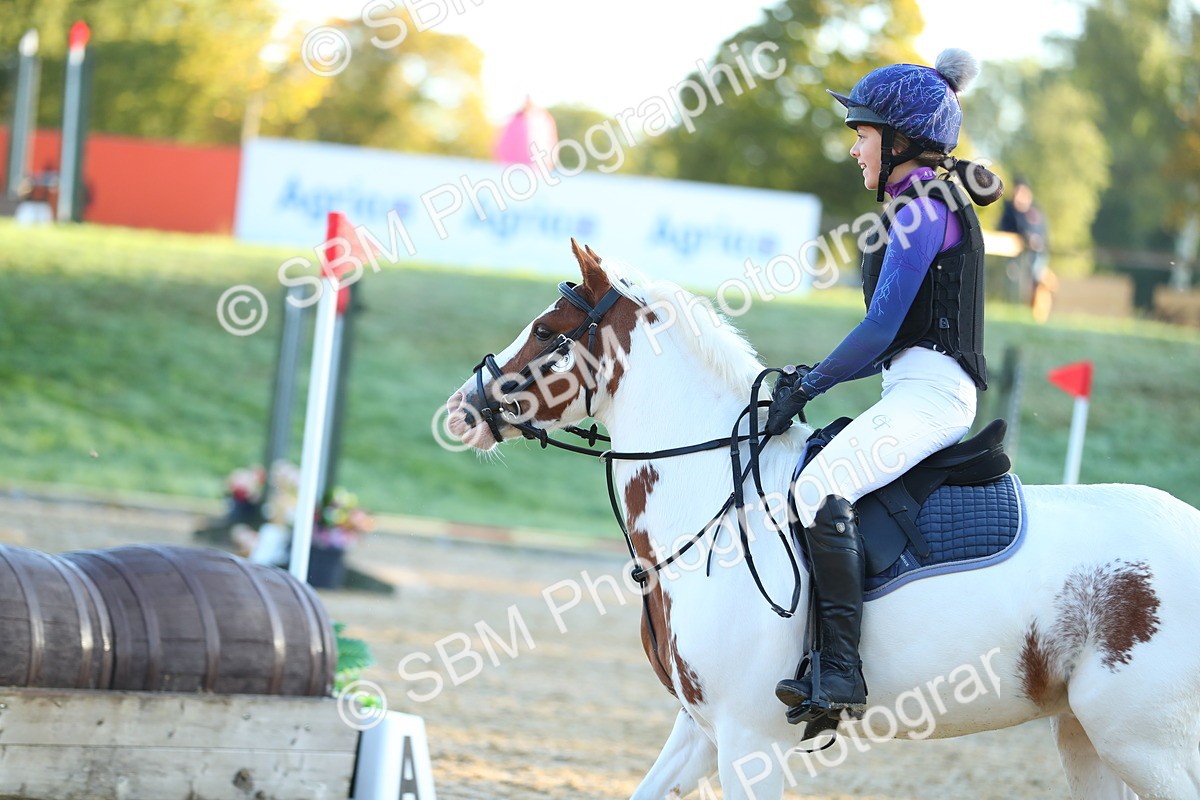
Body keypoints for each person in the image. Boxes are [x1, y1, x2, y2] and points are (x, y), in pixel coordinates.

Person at [764, 49, 1003, 731]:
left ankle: (840, 673)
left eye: (862, 136)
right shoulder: (921, 195)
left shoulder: (920, 205)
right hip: (913, 388)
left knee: (818, 490)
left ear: (899, 140)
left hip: (933, 394)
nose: (855, 152)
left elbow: (877, 331)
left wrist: (807, 383)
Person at [999, 176, 1057, 322]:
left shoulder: (1034, 212)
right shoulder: (1010, 211)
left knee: (1036, 280)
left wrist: (1031, 238)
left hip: (1035, 254)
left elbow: (1040, 234)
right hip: (1014, 254)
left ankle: (1038, 313)